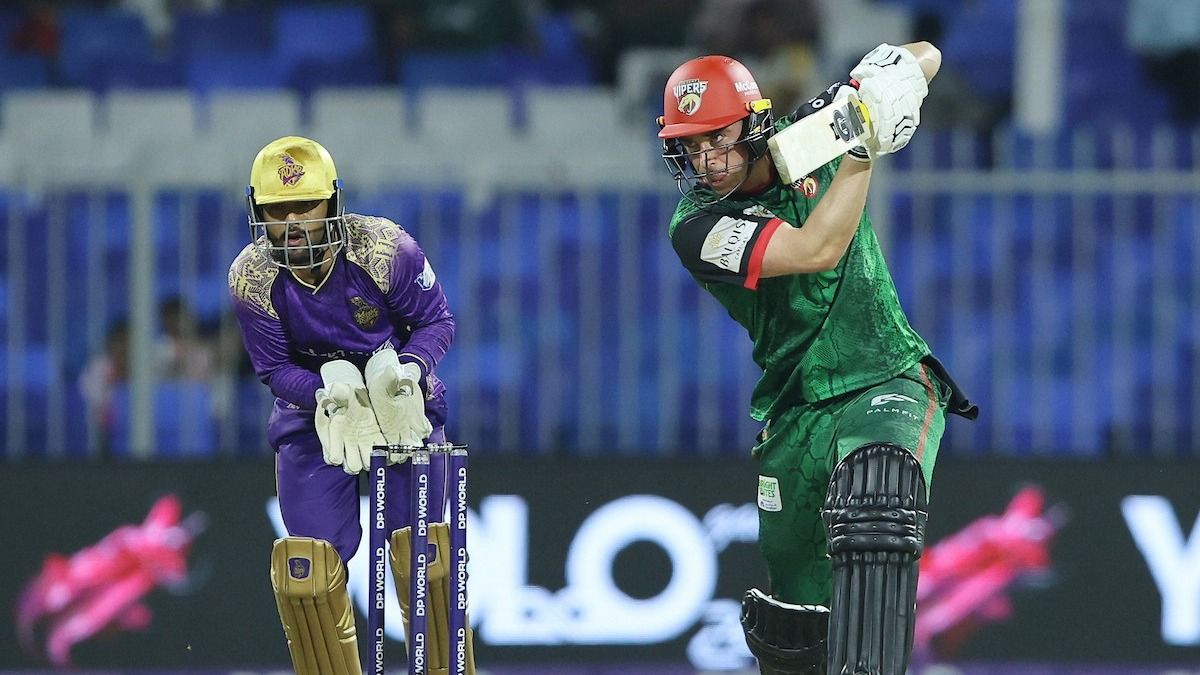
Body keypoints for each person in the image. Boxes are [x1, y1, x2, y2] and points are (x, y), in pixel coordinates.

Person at [656, 44, 978, 673]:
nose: (707, 160)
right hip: (796, 410)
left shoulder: (814, 133)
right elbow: (816, 249)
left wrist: (881, 91)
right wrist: (864, 149)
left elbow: (929, 55)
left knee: (878, 494)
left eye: (718, 138)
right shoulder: (696, 225)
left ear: (753, 122)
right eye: (690, 147)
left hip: (886, 374)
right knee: (794, 622)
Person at [227, 136, 473, 674]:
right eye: (277, 210)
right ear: (258, 213)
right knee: (308, 574)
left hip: (398, 403)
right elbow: (273, 369)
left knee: (425, 557)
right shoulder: (251, 277)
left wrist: (409, 372)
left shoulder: (385, 249)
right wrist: (324, 395)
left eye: (306, 206)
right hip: (317, 414)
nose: (293, 222)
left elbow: (437, 322)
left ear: (333, 203)